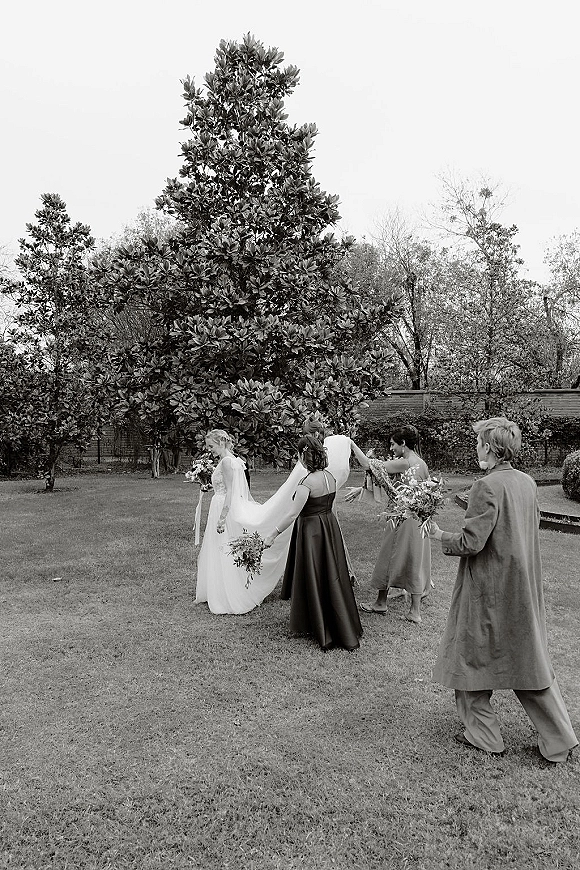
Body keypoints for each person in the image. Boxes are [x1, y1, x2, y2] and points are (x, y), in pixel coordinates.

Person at [427, 417, 578, 762]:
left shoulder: (486, 486)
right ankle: (559, 739)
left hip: (488, 588)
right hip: (521, 587)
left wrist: (439, 535)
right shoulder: (527, 483)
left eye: (479, 442)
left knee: (468, 658)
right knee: (529, 662)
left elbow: (472, 541)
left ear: (491, 448)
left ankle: (485, 736)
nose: (476, 447)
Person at [264, 435, 363, 651]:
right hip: (329, 527)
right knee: (331, 574)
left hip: (312, 533)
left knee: (316, 574)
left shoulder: (306, 484)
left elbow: (292, 515)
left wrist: (271, 535)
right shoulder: (330, 477)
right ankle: (330, 619)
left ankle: (320, 624)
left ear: (302, 455)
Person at [195, 429, 291, 614]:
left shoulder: (227, 462)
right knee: (220, 548)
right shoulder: (235, 460)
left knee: (223, 548)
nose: (209, 450)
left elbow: (231, 491)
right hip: (222, 504)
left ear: (221, 442)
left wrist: (222, 518)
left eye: (211, 446)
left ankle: (228, 594)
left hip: (223, 507)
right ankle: (217, 589)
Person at [350, 426, 431, 623]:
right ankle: (414, 611)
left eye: (393, 444)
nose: (391, 447)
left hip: (401, 519)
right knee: (415, 560)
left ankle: (381, 603)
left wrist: (351, 444)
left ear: (403, 444)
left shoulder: (404, 463)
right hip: (419, 520)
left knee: (388, 557)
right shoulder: (421, 463)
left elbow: (370, 465)